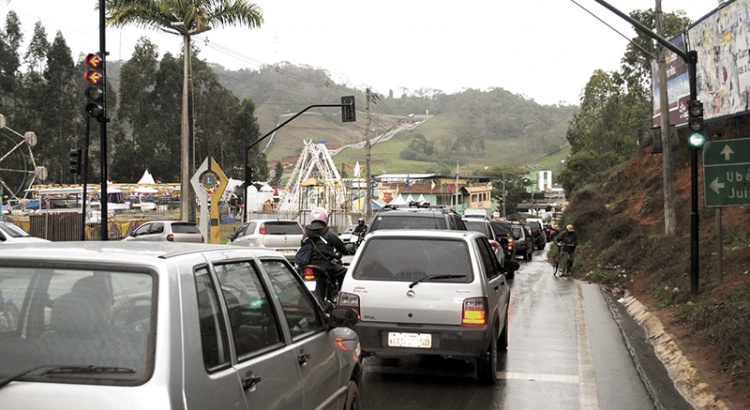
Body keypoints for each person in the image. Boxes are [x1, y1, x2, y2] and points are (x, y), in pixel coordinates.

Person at [301, 207, 348, 283]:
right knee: (345, 273)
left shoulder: (306, 234)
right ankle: (341, 293)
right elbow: (341, 247)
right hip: (326, 266)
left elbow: (302, 245)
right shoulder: (328, 233)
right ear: (325, 218)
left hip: (308, 266)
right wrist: (348, 251)